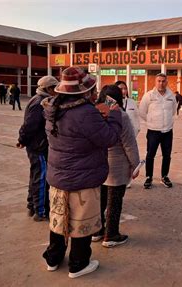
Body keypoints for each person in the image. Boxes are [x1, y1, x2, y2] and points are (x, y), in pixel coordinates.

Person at [41, 67, 122, 279]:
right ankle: (78, 263)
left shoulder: (52, 107)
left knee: (58, 218)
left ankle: (53, 257)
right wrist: (113, 116)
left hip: (58, 175)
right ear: (83, 91)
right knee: (81, 223)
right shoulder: (85, 113)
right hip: (82, 177)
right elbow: (109, 138)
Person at [91, 85, 140, 247]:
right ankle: (111, 235)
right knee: (115, 201)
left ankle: (97, 230)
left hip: (99, 164)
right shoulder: (121, 116)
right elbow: (129, 145)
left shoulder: (95, 113)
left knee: (101, 199)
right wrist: (135, 165)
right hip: (116, 166)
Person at [17, 76, 59, 221]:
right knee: (41, 178)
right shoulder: (40, 102)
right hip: (38, 146)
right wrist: (22, 139)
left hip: (37, 145)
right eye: (55, 88)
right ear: (48, 89)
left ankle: (32, 205)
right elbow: (29, 125)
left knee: (35, 176)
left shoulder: (40, 99)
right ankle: (40, 211)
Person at [139, 73, 176, 189]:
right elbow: (142, 112)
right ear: (155, 82)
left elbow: (173, 111)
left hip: (167, 131)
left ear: (167, 82)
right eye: (159, 81)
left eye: (163, 81)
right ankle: (148, 177)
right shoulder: (149, 95)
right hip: (153, 131)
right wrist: (151, 121)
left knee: (167, 155)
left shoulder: (171, 96)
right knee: (150, 155)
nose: (161, 83)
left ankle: (164, 176)